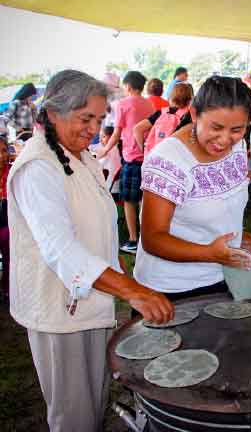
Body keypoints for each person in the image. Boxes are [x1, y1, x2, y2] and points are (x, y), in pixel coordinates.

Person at [7, 70, 173, 431]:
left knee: (94, 402)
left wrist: (124, 284)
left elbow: (97, 235)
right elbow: (61, 249)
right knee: (74, 416)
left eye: (99, 120)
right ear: (53, 114)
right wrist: (134, 291)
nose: (94, 129)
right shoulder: (38, 167)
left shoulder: (78, 156)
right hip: (60, 311)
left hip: (93, 302)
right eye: (86, 119)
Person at [135, 76, 251, 300]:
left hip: (223, 276)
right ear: (195, 114)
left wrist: (237, 237)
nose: (225, 139)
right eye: (216, 127)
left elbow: (222, 205)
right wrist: (210, 253)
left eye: (237, 129)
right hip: (172, 289)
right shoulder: (168, 160)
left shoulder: (238, 147)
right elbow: (153, 238)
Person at [98, 70, 155, 254]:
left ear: (128, 86)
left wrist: (104, 150)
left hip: (131, 158)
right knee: (144, 201)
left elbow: (116, 133)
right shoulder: (149, 104)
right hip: (148, 157)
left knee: (129, 201)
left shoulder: (122, 105)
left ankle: (132, 240)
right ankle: (147, 240)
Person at [134, 82, 194, 158]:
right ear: (190, 99)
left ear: (172, 96)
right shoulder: (190, 117)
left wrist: (145, 150)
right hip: (174, 160)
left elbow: (137, 129)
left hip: (154, 158)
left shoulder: (162, 112)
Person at [0, 138, 10, 301]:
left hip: (7, 222)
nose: (2, 155)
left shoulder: (13, 171)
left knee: (10, 257)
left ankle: (7, 289)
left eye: (4, 150)